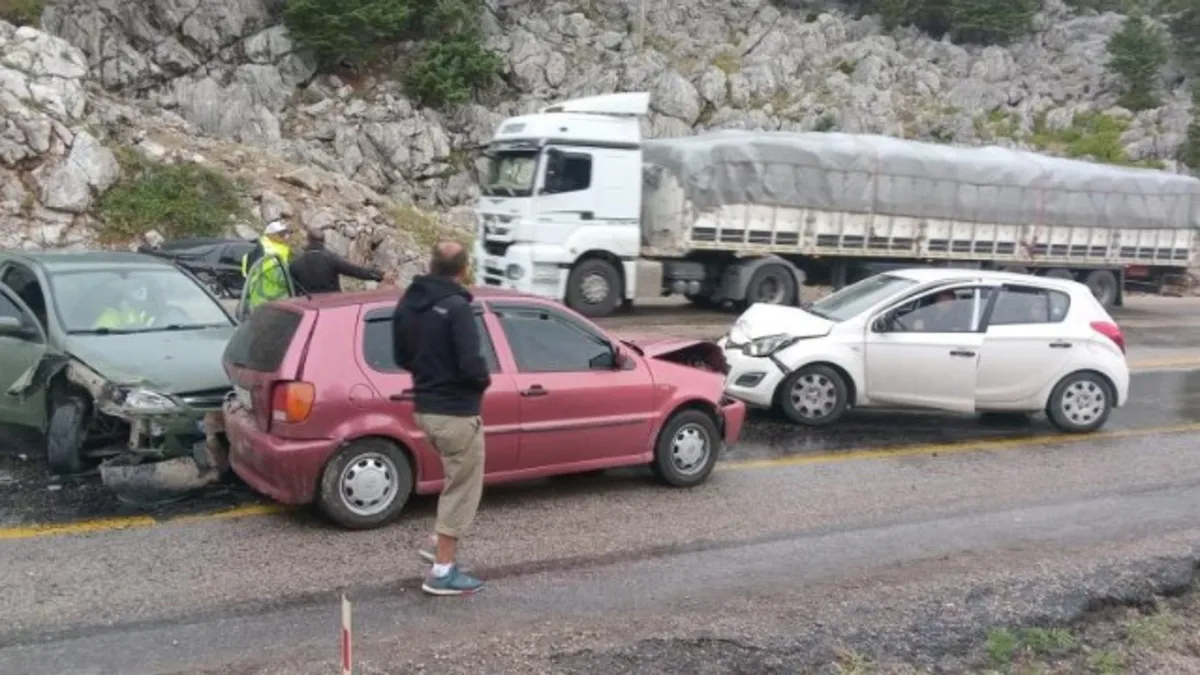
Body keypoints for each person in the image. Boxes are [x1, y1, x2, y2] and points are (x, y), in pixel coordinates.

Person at [392, 240, 491, 596]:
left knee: (453, 475)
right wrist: (482, 382)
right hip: (456, 411)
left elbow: (401, 355)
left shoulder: (408, 303)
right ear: (463, 271)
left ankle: (437, 542)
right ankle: (442, 571)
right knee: (463, 487)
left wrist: (428, 374)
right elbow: (471, 363)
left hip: (424, 407)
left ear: (431, 266)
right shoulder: (457, 308)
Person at [288, 228, 394, 294]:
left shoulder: (295, 264)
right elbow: (356, 271)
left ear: (308, 241)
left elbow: (293, 288)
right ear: (324, 241)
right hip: (332, 304)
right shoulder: (331, 259)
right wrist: (380, 275)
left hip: (307, 306)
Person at [241, 220, 294, 313]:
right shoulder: (267, 250)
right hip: (266, 297)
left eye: (287, 233)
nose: (286, 237)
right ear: (271, 235)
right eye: (281, 234)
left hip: (272, 297)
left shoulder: (278, 247)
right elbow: (276, 274)